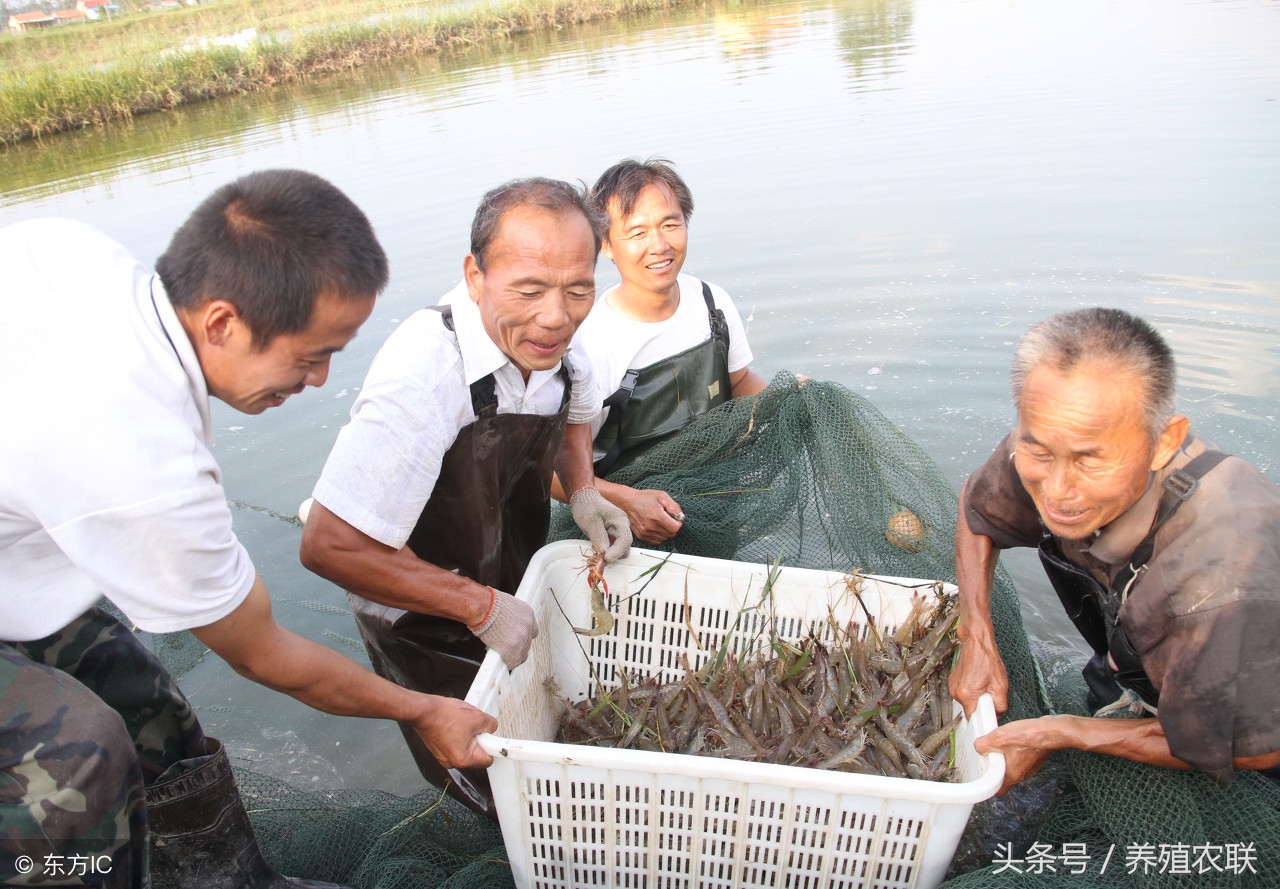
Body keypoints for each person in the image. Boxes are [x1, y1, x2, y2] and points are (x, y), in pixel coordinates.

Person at [0, 170, 498, 889]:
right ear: (222, 322)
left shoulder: (71, 251)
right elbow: (266, 656)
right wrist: (425, 710)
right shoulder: (147, 463)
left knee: (147, 707)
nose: (320, 379)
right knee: (81, 754)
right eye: (309, 355)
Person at [298, 177, 631, 818]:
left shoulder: (560, 339)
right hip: (417, 611)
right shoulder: (426, 372)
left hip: (509, 577)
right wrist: (476, 605)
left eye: (578, 290)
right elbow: (330, 546)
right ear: (475, 276)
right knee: (496, 790)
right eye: (528, 290)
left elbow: (575, 412)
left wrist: (584, 491)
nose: (555, 316)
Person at [949, 306, 1280, 794]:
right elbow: (978, 510)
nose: (1057, 491)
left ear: (1163, 442)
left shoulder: (1222, 577)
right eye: (1040, 451)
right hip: (1137, 667)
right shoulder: (1053, 437)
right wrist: (975, 634)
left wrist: (1066, 732)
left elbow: (1255, 748)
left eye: (1089, 461)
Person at [550, 158, 770, 545]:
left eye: (670, 225)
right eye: (637, 232)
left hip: (714, 506)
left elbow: (739, 382)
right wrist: (627, 501)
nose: (659, 246)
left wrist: (788, 399)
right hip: (626, 531)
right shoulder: (589, 344)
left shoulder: (711, 303)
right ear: (605, 244)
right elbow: (550, 472)